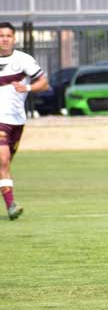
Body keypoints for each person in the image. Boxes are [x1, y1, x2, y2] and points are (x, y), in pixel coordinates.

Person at [0, 21, 48, 220]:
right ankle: (11, 206)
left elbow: (44, 83)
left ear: (14, 38)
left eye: (8, 36)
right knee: (2, 160)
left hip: (17, 121)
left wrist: (27, 88)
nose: (4, 39)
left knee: (5, 163)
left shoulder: (24, 60)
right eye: (1, 35)